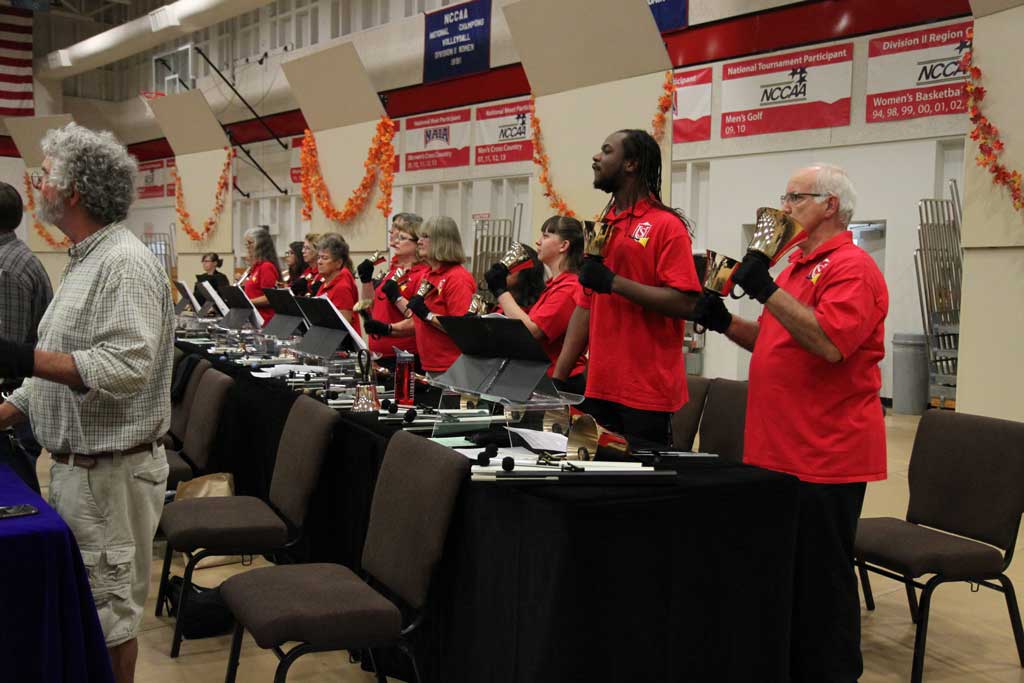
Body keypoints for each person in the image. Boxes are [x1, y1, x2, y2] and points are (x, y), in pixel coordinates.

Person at [693, 164, 888, 683]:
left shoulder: (853, 267)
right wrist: (723, 321)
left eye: (795, 197)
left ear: (829, 205)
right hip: (779, 446)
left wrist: (764, 290)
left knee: (822, 583)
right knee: (788, 574)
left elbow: (829, 343)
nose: (784, 207)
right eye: (784, 197)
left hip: (825, 453)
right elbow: (772, 341)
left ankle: (833, 673)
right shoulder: (800, 267)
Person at [0, 122, 173, 683]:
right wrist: (8, 407)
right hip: (83, 472)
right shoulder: (85, 259)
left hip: (110, 478)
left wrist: (20, 357)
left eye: (46, 176)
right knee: (89, 619)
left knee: (109, 622)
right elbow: (56, 369)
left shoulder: (123, 263)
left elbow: (126, 366)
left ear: (73, 191)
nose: (38, 185)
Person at [553, 129, 701, 444]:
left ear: (631, 164)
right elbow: (584, 307)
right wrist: (559, 379)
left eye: (606, 151)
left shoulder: (666, 226)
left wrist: (613, 282)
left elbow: (686, 303)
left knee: (639, 490)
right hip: (599, 387)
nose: (596, 157)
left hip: (646, 394)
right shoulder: (604, 227)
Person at [485, 216, 587, 392]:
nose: (538, 242)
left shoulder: (569, 288)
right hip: (541, 377)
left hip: (560, 383)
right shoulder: (553, 286)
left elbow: (532, 331)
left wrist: (501, 291)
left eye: (546, 236)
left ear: (564, 246)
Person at [0, 180, 53, 493]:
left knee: (18, 507)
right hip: (19, 405)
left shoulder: (6, 268)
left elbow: (8, 357)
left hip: (14, 411)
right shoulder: (14, 256)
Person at [383, 216, 476, 374]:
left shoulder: (457, 278)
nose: (419, 241)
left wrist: (427, 315)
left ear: (442, 241)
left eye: (425, 237)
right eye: (419, 237)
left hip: (453, 367)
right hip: (431, 366)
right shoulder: (429, 275)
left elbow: (462, 329)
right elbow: (416, 321)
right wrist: (386, 329)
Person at [360, 214, 428, 368]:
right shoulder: (393, 271)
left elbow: (418, 320)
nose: (395, 241)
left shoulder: (422, 275)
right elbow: (370, 305)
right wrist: (366, 281)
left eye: (402, 237)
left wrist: (396, 299)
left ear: (418, 243)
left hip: (404, 357)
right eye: (395, 235)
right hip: (379, 355)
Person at [316, 233, 362, 337]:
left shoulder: (342, 287)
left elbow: (343, 325)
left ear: (338, 263)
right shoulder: (326, 283)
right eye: (319, 257)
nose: (319, 262)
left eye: (325, 258)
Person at [240, 226, 280, 324]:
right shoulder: (256, 267)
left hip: (264, 320)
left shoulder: (266, 267)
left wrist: (247, 302)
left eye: (250, 243)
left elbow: (269, 298)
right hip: (253, 318)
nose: (248, 247)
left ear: (260, 245)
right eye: (247, 243)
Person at [495, 244, 545, 315]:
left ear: (526, 272)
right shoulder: (501, 304)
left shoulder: (535, 311)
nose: (503, 268)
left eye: (511, 264)